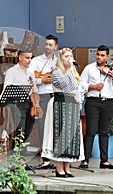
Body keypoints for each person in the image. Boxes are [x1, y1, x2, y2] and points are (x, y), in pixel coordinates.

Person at [79, 45, 113, 169]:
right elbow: (81, 84)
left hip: (108, 102)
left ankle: (104, 161)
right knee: (90, 131)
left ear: (108, 57)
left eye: (102, 55)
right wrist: (93, 87)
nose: (99, 57)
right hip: (93, 102)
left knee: (104, 132)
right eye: (98, 54)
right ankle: (85, 160)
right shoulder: (89, 68)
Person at [42, 48, 84, 177]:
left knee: (71, 136)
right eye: (66, 56)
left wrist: (79, 102)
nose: (69, 58)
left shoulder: (74, 72)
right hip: (59, 104)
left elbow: (77, 88)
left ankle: (67, 166)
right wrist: (70, 69)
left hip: (72, 105)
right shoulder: (55, 71)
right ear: (61, 58)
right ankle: (59, 167)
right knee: (59, 134)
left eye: (71, 56)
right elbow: (65, 85)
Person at [29, 34, 58, 169]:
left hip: (56, 95)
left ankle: (56, 158)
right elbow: (29, 78)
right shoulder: (36, 61)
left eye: (50, 45)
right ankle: (45, 159)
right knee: (43, 127)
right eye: (46, 44)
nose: (47, 47)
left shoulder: (59, 61)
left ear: (55, 47)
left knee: (55, 127)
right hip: (43, 95)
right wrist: (42, 80)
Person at [2, 46, 36, 151]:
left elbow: (34, 90)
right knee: (19, 131)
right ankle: (16, 161)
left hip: (29, 103)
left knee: (27, 132)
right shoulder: (12, 72)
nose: (29, 60)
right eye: (27, 58)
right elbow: (6, 89)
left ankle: (22, 160)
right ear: (20, 57)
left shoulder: (31, 72)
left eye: (31, 58)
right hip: (17, 103)